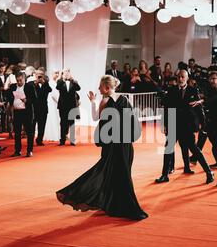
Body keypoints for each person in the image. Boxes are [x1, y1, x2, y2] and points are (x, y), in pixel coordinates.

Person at [56, 75, 148, 221]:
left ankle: (118, 204)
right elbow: (96, 117)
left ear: (107, 87)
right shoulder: (109, 101)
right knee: (112, 173)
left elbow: (130, 121)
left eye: (100, 86)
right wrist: (93, 102)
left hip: (121, 145)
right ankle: (117, 204)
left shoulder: (120, 100)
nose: (98, 89)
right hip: (115, 145)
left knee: (121, 174)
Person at [155, 70, 213, 184]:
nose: (180, 79)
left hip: (187, 125)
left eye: (182, 77)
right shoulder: (171, 90)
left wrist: (203, 124)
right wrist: (164, 124)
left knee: (194, 150)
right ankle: (164, 175)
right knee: (168, 149)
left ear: (187, 78)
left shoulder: (193, 90)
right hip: (173, 123)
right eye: (179, 77)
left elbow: (198, 108)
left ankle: (209, 172)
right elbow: (166, 108)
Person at [7, 72, 36, 157]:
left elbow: (34, 99)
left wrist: (26, 100)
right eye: (17, 80)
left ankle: (29, 151)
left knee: (29, 132)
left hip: (26, 112)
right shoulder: (13, 86)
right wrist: (10, 102)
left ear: (24, 79)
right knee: (17, 132)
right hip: (16, 111)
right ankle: (17, 150)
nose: (19, 82)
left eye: (20, 80)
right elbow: (9, 96)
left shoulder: (29, 86)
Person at [56, 68, 81, 146]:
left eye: (68, 72)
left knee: (72, 123)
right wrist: (63, 79)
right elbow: (57, 87)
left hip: (71, 105)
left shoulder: (74, 81)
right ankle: (62, 140)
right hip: (62, 106)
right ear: (62, 73)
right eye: (65, 72)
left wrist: (72, 80)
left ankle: (72, 140)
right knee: (63, 123)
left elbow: (78, 88)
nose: (66, 74)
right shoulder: (60, 81)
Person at [30, 69, 52, 146]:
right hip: (34, 108)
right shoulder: (31, 83)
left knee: (42, 125)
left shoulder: (46, 84)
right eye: (38, 75)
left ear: (43, 76)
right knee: (32, 126)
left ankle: (39, 140)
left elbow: (50, 90)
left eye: (41, 75)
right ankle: (30, 140)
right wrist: (35, 83)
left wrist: (44, 83)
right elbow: (28, 90)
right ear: (35, 75)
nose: (39, 76)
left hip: (43, 108)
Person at [46, 70, 61, 141]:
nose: (57, 74)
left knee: (55, 118)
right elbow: (55, 95)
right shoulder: (52, 83)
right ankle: (53, 135)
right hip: (53, 103)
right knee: (53, 118)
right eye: (56, 73)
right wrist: (60, 102)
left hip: (54, 103)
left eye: (58, 73)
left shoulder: (54, 83)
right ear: (52, 74)